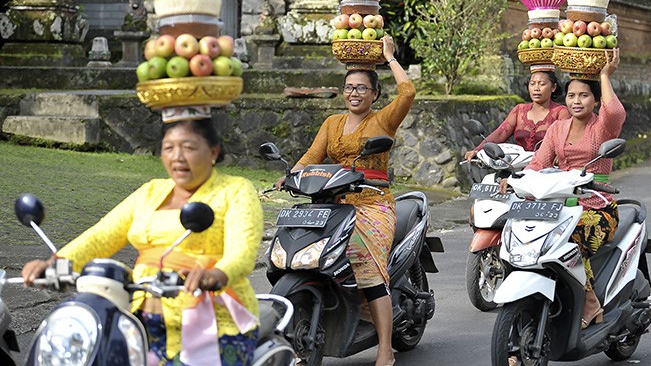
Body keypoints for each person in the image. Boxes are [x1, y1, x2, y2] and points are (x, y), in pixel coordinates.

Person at [22, 118, 264, 365]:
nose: (177, 156)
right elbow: (102, 236)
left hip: (213, 324)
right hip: (140, 316)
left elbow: (243, 251)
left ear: (213, 151)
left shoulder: (236, 190)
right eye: (168, 148)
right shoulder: (150, 191)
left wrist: (217, 274)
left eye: (188, 147)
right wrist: (57, 262)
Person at [276, 35, 414, 366]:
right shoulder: (332, 123)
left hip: (373, 203)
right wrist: (291, 175)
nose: (354, 93)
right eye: (349, 87)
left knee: (364, 263)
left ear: (375, 94)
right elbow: (312, 155)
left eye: (362, 88)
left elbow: (407, 92)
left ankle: (385, 348)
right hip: (336, 202)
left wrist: (389, 57)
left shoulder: (383, 120)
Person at [502, 51, 625, 329]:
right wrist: (516, 180)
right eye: (571, 96)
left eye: (584, 96)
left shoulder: (603, 128)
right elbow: (538, 163)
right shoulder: (558, 128)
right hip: (560, 204)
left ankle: (590, 301)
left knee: (572, 235)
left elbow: (615, 111)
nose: (576, 101)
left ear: (595, 100)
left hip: (597, 206)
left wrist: (604, 76)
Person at [464, 69, 569, 161]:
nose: (536, 88)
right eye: (532, 84)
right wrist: (478, 150)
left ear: (553, 87)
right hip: (517, 167)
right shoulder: (519, 110)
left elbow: (565, 143)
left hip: (548, 170)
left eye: (541, 84)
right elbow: (500, 133)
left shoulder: (561, 112)